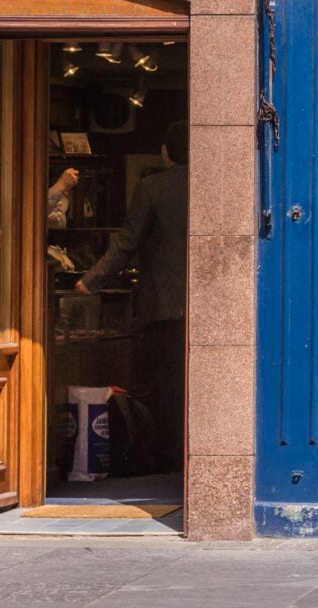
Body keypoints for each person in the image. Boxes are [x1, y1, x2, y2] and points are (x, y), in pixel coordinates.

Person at [76, 122, 187, 471]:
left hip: (160, 306)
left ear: (165, 153)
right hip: (201, 306)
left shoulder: (152, 187)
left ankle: (165, 459)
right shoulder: (210, 184)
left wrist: (89, 281)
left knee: (161, 384)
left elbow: (126, 244)